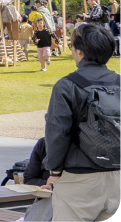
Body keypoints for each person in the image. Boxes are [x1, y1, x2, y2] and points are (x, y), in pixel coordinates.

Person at [41, 22, 119, 221]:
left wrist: (54, 171)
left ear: (80, 52)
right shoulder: (118, 83)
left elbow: (57, 133)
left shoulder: (67, 85)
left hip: (79, 178)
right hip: (117, 177)